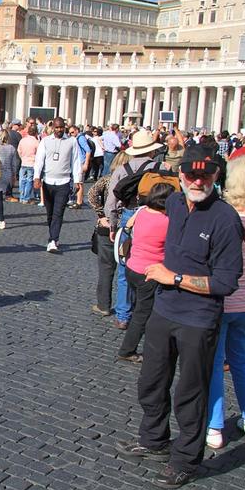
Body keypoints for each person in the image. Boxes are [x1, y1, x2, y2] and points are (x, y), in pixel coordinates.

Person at [117, 143, 243, 489]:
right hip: (163, 309)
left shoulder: (225, 219)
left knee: (190, 390)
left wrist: (173, 277)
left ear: (217, 176)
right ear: (181, 174)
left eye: (205, 174)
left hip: (199, 318)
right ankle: (153, 438)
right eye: (191, 173)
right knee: (152, 380)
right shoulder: (173, 202)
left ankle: (186, 459)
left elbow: (225, 282)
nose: (197, 180)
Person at [205, 153, 245, 448]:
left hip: (225, 300)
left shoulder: (226, 217)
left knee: (215, 362)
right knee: (241, 358)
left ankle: (215, 427)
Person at [106, 129, 166, 330]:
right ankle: (150, 313)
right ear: (151, 150)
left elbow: (111, 202)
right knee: (156, 262)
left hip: (129, 215)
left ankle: (123, 315)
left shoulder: (123, 169)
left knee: (124, 267)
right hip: (157, 218)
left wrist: (113, 225)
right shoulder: (162, 167)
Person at [117, 183, 176, 364]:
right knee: (143, 314)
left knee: (140, 308)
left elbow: (128, 226)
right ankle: (128, 350)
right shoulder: (166, 221)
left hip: (132, 267)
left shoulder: (142, 212)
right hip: (149, 273)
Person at [87, 152, 133, 318]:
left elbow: (91, 194)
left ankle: (103, 305)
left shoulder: (107, 179)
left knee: (106, 269)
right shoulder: (134, 181)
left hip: (107, 227)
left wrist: (101, 215)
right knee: (126, 269)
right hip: (127, 227)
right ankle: (125, 306)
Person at [32, 117, 83, 253]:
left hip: (64, 182)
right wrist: (36, 177)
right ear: (53, 128)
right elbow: (39, 160)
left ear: (64, 128)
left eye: (61, 127)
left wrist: (78, 180)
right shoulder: (45, 141)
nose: (59, 130)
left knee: (58, 213)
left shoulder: (72, 141)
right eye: (57, 127)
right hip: (48, 182)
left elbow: (76, 162)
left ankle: (53, 239)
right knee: (50, 213)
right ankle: (53, 234)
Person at [17, 125, 39, 203]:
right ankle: (26, 198)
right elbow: (39, 154)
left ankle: (21, 197)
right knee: (29, 181)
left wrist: (22, 157)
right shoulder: (36, 142)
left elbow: (19, 150)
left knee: (22, 180)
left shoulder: (23, 140)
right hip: (32, 163)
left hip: (24, 162)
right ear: (36, 132)